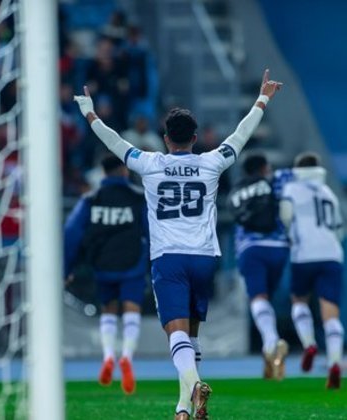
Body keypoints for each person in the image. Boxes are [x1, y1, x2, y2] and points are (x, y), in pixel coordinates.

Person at [75, 69, 282, 420]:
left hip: (169, 259)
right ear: (196, 138)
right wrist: (262, 98)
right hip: (204, 257)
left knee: (176, 333)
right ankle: (184, 408)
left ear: (165, 138)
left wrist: (90, 113)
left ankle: (196, 385)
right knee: (192, 335)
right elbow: (241, 135)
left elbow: (114, 143)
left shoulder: (151, 164)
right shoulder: (211, 162)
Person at [64, 155, 148, 395]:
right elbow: (151, 229)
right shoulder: (137, 197)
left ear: (103, 172)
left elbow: (71, 233)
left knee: (108, 310)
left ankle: (109, 355)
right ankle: (127, 358)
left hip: (102, 264)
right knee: (131, 309)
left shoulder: (91, 199)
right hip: (132, 263)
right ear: (124, 170)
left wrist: (67, 268)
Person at [279, 152, 345, 389]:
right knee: (331, 314)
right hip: (332, 255)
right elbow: (339, 230)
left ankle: (309, 343)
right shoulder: (329, 193)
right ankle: (335, 363)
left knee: (298, 300)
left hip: (304, 253)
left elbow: (285, 218)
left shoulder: (291, 189)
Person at [228, 153, 290, 380]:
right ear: (264, 167)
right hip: (278, 247)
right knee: (268, 299)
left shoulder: (235, 192)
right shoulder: (276, 180)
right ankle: (269, 357)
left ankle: (271, 344)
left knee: (258, 298)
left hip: (250, 248)